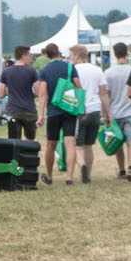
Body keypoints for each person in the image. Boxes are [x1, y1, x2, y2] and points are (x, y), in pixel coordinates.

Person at [35, 43, 79, 184]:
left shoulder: (45, 71)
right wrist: (81, 108)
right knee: (70, 143)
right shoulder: (70, 67)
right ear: (59, 53)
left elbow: (42, 95)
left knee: (51, 145)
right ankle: (69, 177)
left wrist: (41, 114)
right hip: (69, 109)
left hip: (53, 112)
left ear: (46, 55)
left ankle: (49, 176)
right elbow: (79, 87)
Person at [70, 44, 106, 184]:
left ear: (77, 56)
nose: (70, 58)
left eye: (71, 55)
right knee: (89, 146)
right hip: (95, 110)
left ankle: (82, 166)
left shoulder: (73, 70)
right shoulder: (98, 70)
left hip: (80, 111)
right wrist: (106, 114)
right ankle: (88, 174)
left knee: (78, 146)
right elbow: (103, 93)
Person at [0, 45, 39, 140]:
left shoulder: (6, 72)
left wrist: (12, 91)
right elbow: (38, 92)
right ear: (23, 56)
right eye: (29, 56)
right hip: (29, 110)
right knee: (30, 141)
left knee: (14, 142)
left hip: (13, 110)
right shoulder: (32, 71)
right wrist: (29, 94)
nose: (30, 58)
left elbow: (1, 94)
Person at [105, 43, 131, 180]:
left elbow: (106, 95)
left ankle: (121, 170)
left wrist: (105, 114)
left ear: (114, 54)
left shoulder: (109, 72)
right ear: (126, 53)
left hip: (115, 112)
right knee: (130, 141)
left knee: (118, 142)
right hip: (130, 111)